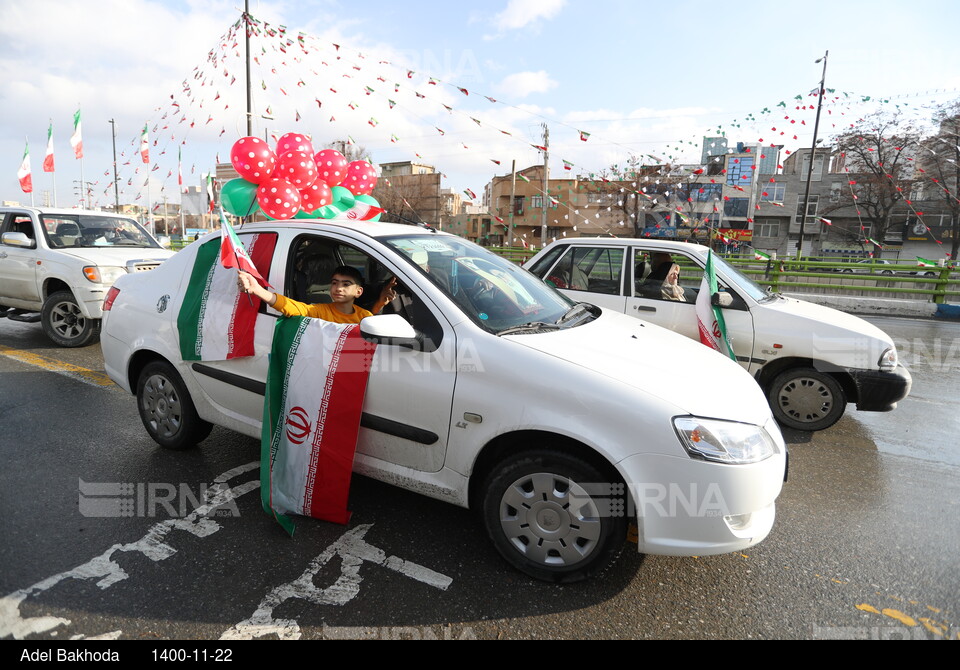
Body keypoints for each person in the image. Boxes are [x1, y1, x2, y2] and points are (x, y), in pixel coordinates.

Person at [237, 265, 397, 324]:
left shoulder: (364, 316)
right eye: (335, 283)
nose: (338, 288)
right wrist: (258, 290)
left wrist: (380, 303)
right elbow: (292, 307)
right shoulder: (320, 311)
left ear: (358, 291)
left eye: (346, 284)